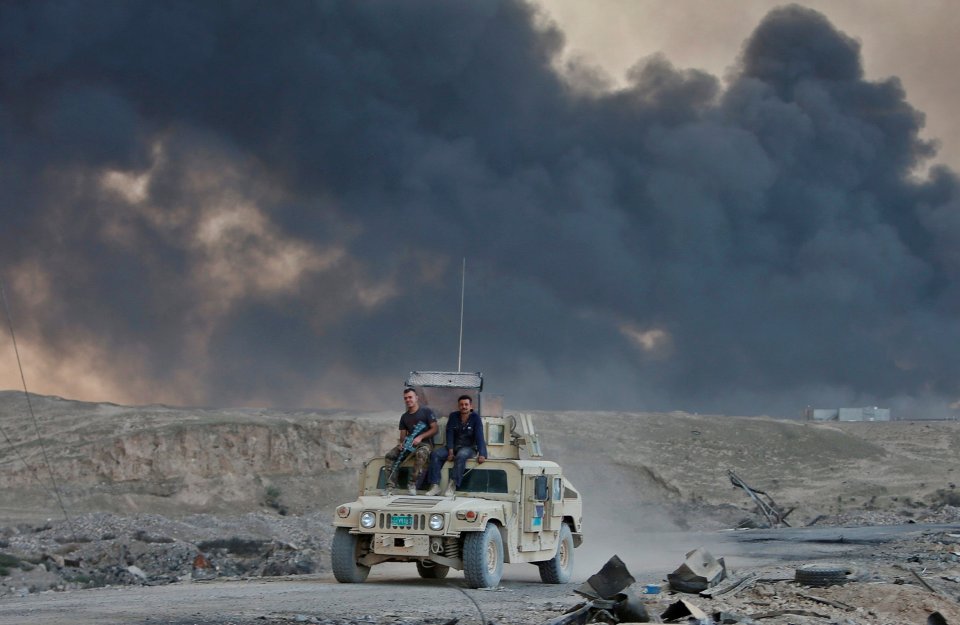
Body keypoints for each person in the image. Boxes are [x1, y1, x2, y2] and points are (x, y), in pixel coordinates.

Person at [424, 395, 487, 496]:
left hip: (469, 448)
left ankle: (452, 485)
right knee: (435, 454)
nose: (464, 406)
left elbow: (480, 436)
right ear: (458, 406)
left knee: (461, 456)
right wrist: (450, 451)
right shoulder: (453, 416)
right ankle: (435, 485)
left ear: (471, 406)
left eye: (466, 404)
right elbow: (450, 434)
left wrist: (482, 454)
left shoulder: (476, 418)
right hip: (453, 446)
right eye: (461, 404)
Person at [385, 388, 438, 495]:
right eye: (405, 398)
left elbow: (435, 429)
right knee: (390, 456)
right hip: (410, 444)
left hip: (425, 444)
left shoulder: (426, 412)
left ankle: (412, 483)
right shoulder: (404, 417)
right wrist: (402, 444)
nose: (408, 400)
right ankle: (391, 486)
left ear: (416, 398)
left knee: (421, 454)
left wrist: (421, 437)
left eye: (410, 397)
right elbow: (403, 436)